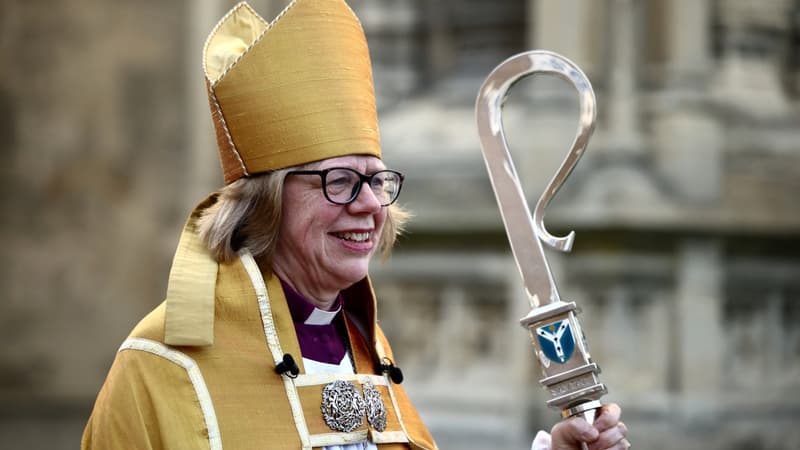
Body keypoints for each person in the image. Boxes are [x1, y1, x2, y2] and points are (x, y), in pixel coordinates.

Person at [81, 1, 629, 449]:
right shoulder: (161, 367)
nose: (370, 204)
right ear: (265, 200)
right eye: (339, 181)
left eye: (378, 181)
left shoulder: (366, 347)